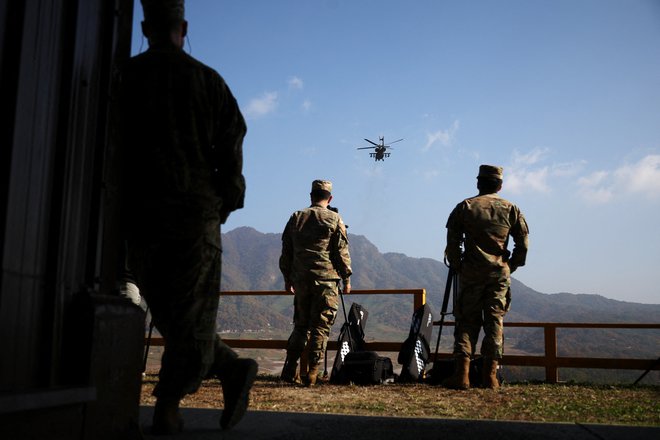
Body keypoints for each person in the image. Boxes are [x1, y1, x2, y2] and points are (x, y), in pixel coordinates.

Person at [118, 0, 257, 433]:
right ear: (185, 26)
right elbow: (232, 154)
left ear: (144, 27)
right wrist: (218, 205)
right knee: (185, 319)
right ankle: (229, 371)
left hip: (141, 221)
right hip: (194, 224)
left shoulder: (126, 77)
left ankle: (167, 409)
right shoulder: (208, 82)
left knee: (174, 315)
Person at [443, 165, 529, 389]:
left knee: (466, 322)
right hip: (498, 275)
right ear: (500, 185)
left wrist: (459, 265)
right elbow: (523, 245)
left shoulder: (465, 207)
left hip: (470, 273)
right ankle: (490, 377)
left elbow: (451, 243)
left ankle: (462, 375)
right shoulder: (512, 209)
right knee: (494, 322)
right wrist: (510, 266)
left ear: (478, 183)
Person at [279, 180, 352, 386]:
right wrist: (346, 279)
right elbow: (341, 253)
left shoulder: (296, 217)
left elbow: (286, 252)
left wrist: (288, 278)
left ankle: (289, 368)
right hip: (326, 282)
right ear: (330, 198)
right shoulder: (334, 218)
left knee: (301, 326)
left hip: (301, 281)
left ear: (311, 196)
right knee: (321, 327)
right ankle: (312, 373)